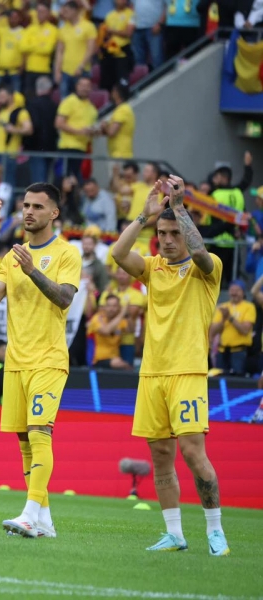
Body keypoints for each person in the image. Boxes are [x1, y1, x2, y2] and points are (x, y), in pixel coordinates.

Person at [111, 175, 230, 556]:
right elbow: (117, 254)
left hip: (188, 371)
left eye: (173, 232)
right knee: (160, 456)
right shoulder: (152, 267)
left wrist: (179, 207)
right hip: (152, 374)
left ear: (186, 231)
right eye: (162, 232)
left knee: (194, 454)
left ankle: (215, 532)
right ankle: (175, 532)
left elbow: (199, 255)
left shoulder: (207, 268)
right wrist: (144, 217)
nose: (166, 239)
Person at [0, 182, 82, 539]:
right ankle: (44, 521)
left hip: (48, 359)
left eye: (37, 206)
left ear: (54, 213)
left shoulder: (66, 253)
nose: (29, 212)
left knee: (39, 433)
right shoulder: (11, 257)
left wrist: (33, 270)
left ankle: (29, 512)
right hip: (16, 361)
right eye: (25, 205)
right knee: (24, 439)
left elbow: (64, 298)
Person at [210, 280, 256, 376]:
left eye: (237, 290)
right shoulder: (223, 307)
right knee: (219, 380)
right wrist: (223, 319)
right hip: (222, 352)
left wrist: (230, 317)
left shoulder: (249, 307)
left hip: (239, 352)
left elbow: (245, 330)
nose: (234, 293)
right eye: (232, 290)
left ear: (243, 292)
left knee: (237, 382)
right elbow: (213, 331)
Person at [87, 294, 131, 369]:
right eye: (109, 305)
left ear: (119, 307)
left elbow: (130, 330)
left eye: (114, 306)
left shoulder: (121, 321)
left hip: (116, 358)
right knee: (124, 366)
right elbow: (106, 331)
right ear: (105, 307)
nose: (111, 309)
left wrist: (131, 315)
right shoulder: (97, 318)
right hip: (97, 359)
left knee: (125, 364)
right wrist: (122, 313)